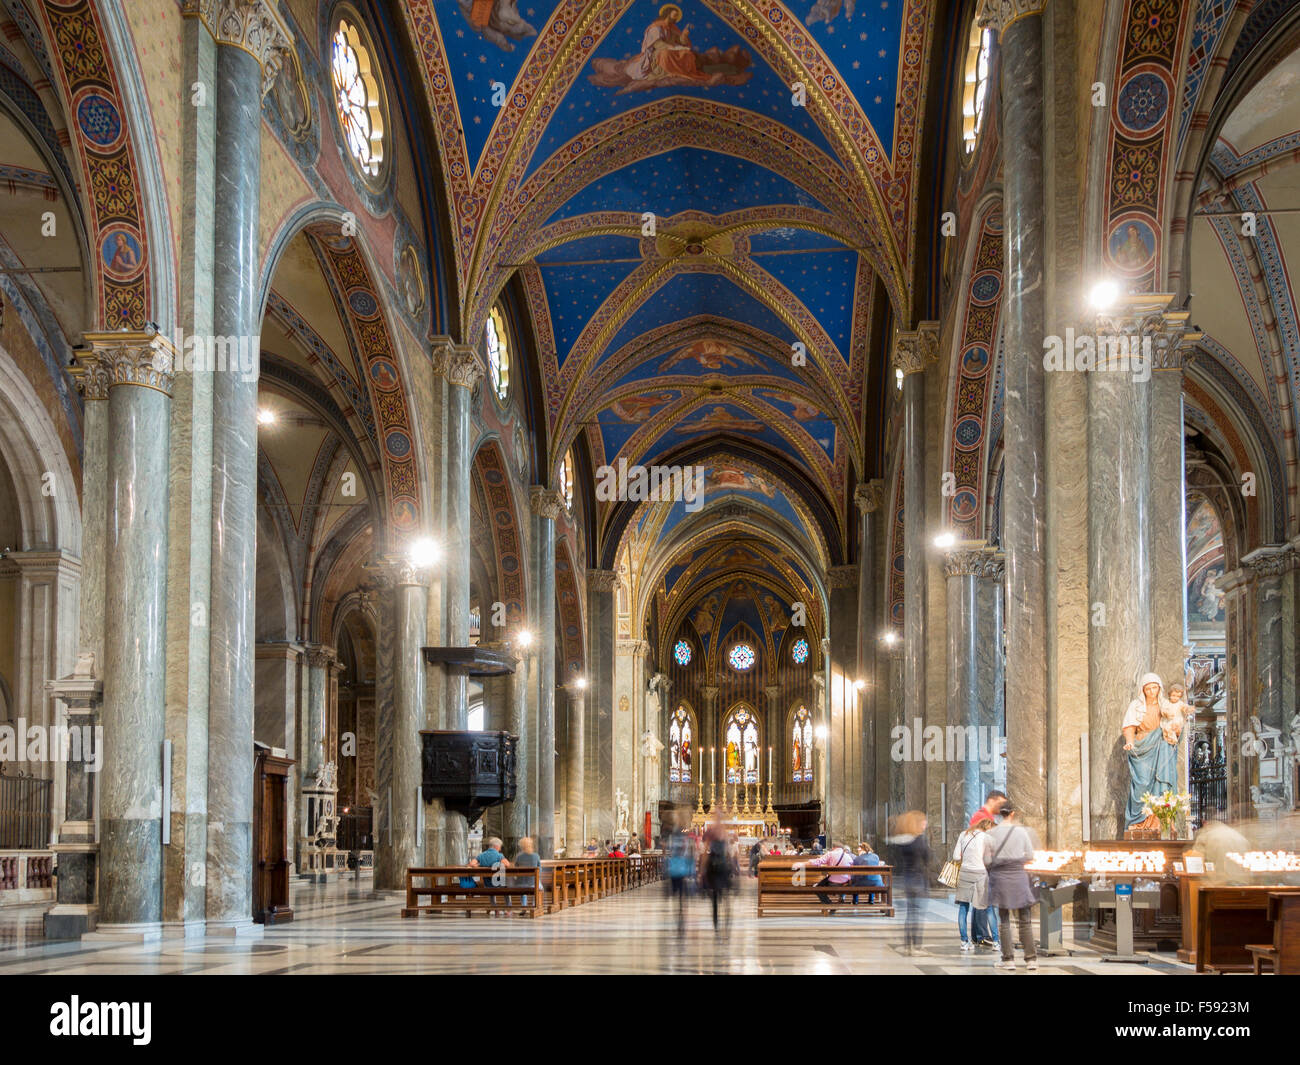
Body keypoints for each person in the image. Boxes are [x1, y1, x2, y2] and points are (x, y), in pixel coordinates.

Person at [982, 801, 1039, 971]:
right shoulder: (1021, 832)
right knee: (1025, 920)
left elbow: (986, 860)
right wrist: (1017, 859)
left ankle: (1008, 959)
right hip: (1019, 877)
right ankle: (1031, 960)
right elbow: (1030, 855)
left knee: (1004, 920)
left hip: (1000, 878)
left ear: (999, 814)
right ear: (1012, 813)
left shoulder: (991, 833)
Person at [891, 811, 931, 955]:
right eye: (923, 822)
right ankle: (917, 946)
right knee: (918, 915)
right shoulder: (920, 840)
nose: (925, 824)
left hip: (906, 878)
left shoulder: (903, 842)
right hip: (918, 880)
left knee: (910, 914)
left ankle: (908, 945)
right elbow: (927, 858)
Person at [953, 819, 995, 952]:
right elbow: (989, 860)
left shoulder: (963, 834)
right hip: (980, 874)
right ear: (988, 828)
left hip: (965, 873)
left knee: (963, 908)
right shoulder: (986, 837)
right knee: (987, 907)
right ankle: (996, 942)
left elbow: (956, 857)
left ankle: (964, 942)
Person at [807, 839, 855, 907]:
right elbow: (852, 870)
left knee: (817, 888)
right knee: (840, 878)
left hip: (833, 883)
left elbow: (819, 861)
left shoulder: (830, 854)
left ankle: (829, 904)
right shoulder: (848, 856)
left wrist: (808, 862)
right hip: (845, 883)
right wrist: (849, 880)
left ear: (834, 847)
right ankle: (841, 897)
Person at [665, 828, 694, 930]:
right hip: (680, 869)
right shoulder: (685, 842)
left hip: (676, 869)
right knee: (681, 891)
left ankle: (680, 907)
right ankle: (681, 907)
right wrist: (691, 871)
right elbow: (690, 856)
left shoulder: (673, 841)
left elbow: (667, 855)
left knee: (678, 890)